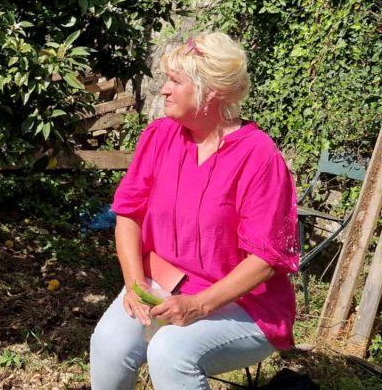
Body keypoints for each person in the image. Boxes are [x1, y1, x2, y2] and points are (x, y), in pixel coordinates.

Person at [89, 32, 298, 390]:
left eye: (175, 81)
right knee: (108, 344)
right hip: (165, 282)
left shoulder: (259, 157)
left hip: (242, 303)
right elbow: (128, 213)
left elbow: (264, 261)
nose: (164, 90)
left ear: (210, 92)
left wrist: (199, 306)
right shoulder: (160, 136)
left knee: (171, 351)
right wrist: (134, 281)